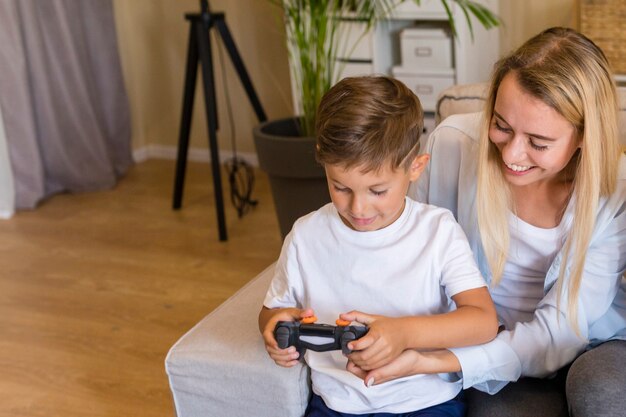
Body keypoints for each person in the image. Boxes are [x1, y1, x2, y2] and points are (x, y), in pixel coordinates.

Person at [344, 27, 626, 417]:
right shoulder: (453, 145)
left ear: (583, 137)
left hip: (591, 341)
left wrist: (438, 361)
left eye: (539, 143)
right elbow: (406, 251)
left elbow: (562, 331)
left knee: (604, 396)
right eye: (502, 126)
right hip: (482, 339)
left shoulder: (616, 190)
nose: (512, 154)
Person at [258, 75, 499, 417]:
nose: (358, 208)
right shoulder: (306, 236)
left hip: (425, 401)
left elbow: (483, 321)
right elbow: (272, 310)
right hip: (336, 404)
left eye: (377, 191)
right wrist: (274, 325)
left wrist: (403, 333)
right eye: (341, 187)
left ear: (416, 167)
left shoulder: (437, 231)